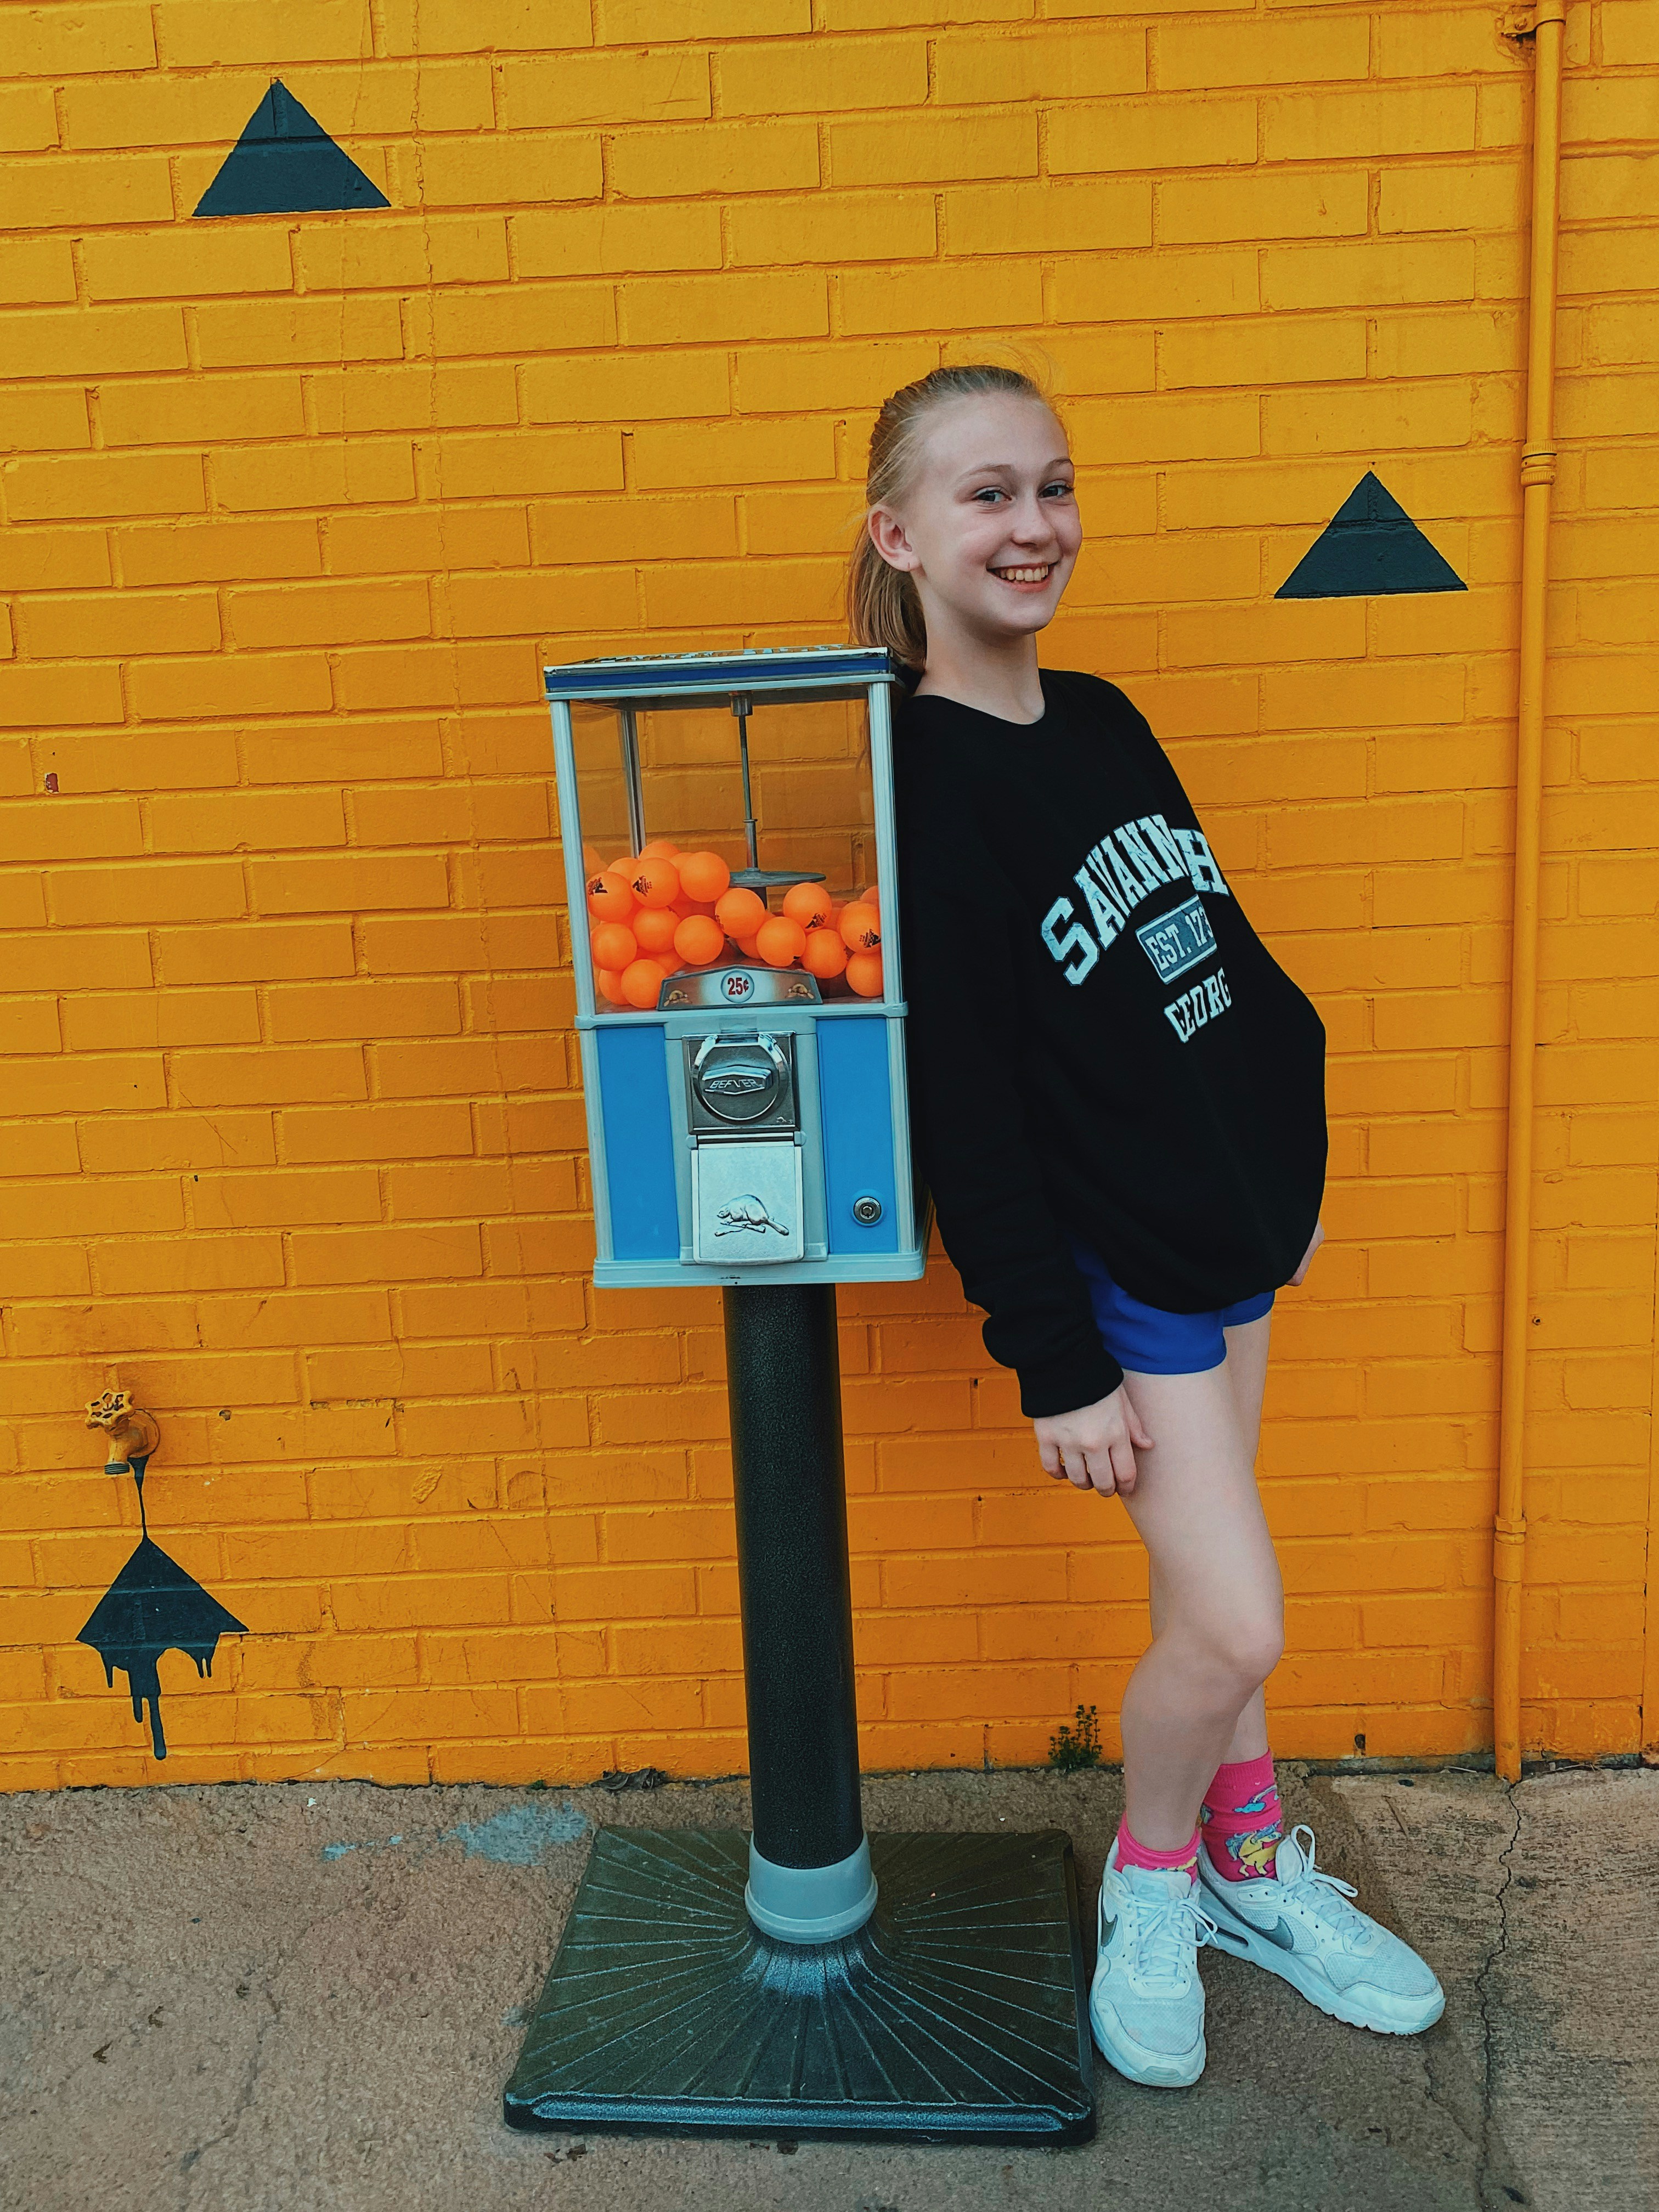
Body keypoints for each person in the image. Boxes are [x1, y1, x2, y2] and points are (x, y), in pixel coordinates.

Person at [850, 364, 1444, 2090]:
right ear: (899, 535)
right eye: (985, 495)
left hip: (1225, 1233)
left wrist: (1286, 1179)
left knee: (1211, 1597)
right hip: (1121, 1276)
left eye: (1052, 487)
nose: (1032, 526)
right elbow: (969, 1110)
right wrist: (1054, 1364)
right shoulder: (922, 782)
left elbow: (1218, 970)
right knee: (1238, 1626)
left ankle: (1256, 1873)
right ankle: (1160, 1874)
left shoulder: (1103, 716)